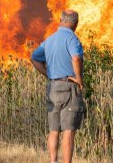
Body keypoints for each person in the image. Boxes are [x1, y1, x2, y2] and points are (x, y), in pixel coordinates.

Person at [31, 10, 85, 163]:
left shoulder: (49, 40)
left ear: (60, 20)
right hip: (69, 87)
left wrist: (48, 74)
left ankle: (53, 161)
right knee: (68, 130)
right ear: (76, 23)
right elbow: (75, 58)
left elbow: (34, 58)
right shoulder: (72, 39)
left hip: (53, 87)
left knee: (54, 129)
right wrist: (79, 79)